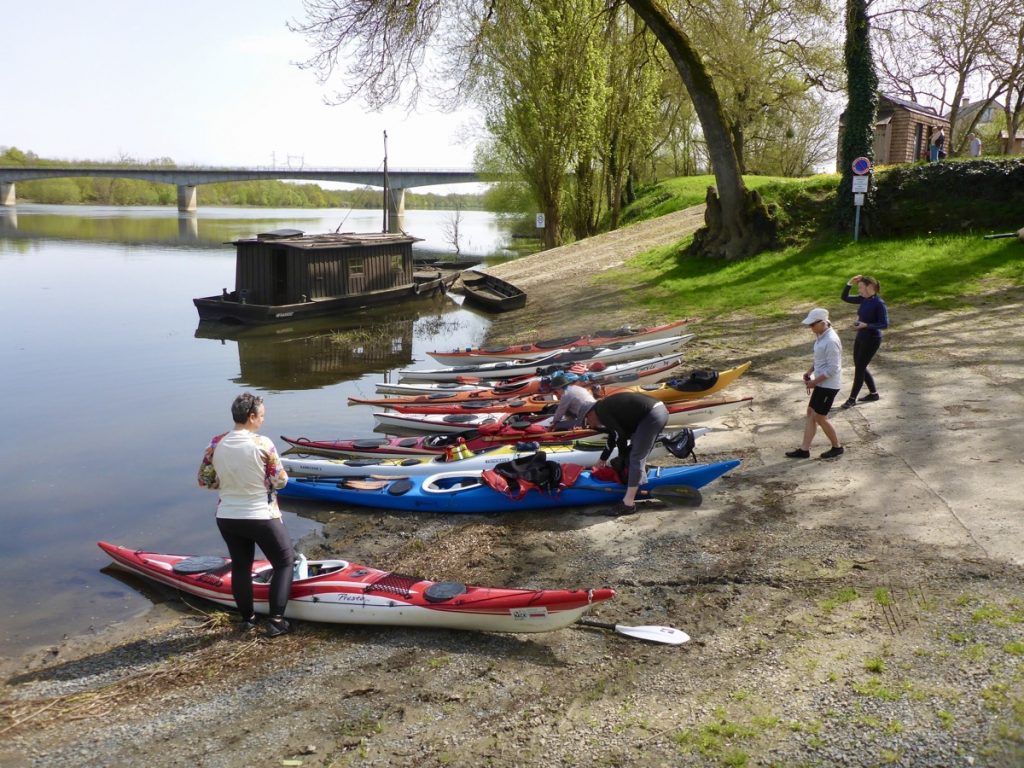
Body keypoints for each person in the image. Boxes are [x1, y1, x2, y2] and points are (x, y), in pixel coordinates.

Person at [198, 393, 293, 637]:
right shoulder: (263, 444)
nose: (262, 420)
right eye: (261, 416)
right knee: (284, 563)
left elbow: (205, 480)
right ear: (251, 417)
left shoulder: (216, 443)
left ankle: (248, 620)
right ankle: (276, 621)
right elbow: (280, 481)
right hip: (260, 515)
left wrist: (232, 483)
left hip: (227, 516)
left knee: (241, 566)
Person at [583, 391, 669, 515]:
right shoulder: (604, 409)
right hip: (654, 412)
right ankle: (639, 481)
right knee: (635, 455)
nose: (589, 425)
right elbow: (614, 435)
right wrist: (603, 459)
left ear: (590, 413)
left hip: (652, 415)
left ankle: (628, 504)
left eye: (586, 421)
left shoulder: (602, 411)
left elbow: (620, 436)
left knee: (635, 458)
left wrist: (622, 457)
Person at [786, 308, 844, 460]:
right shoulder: (821, 335)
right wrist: (810, 371)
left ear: (823, 323)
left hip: (829, 385)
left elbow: (833, 368)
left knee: (820, 417)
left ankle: (837, 447)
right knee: (811, 412)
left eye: (812, 325)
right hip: (821, 383)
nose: (810, 328)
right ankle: (804, 450)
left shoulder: (831, 341)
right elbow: (820, 358)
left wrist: (814, 382)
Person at [839, 275, 889, 409]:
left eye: (861, 287)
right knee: (859, 366)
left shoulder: (879, 303)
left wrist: (866, 325)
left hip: (872, 339)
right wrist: (849, 283)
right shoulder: (864, 299)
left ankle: (852, 399)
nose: (859, 290)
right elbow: (844, 297)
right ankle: (874, 394)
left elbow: (884, 324)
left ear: (870, 287)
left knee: (860, 368)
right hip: (861, 336)